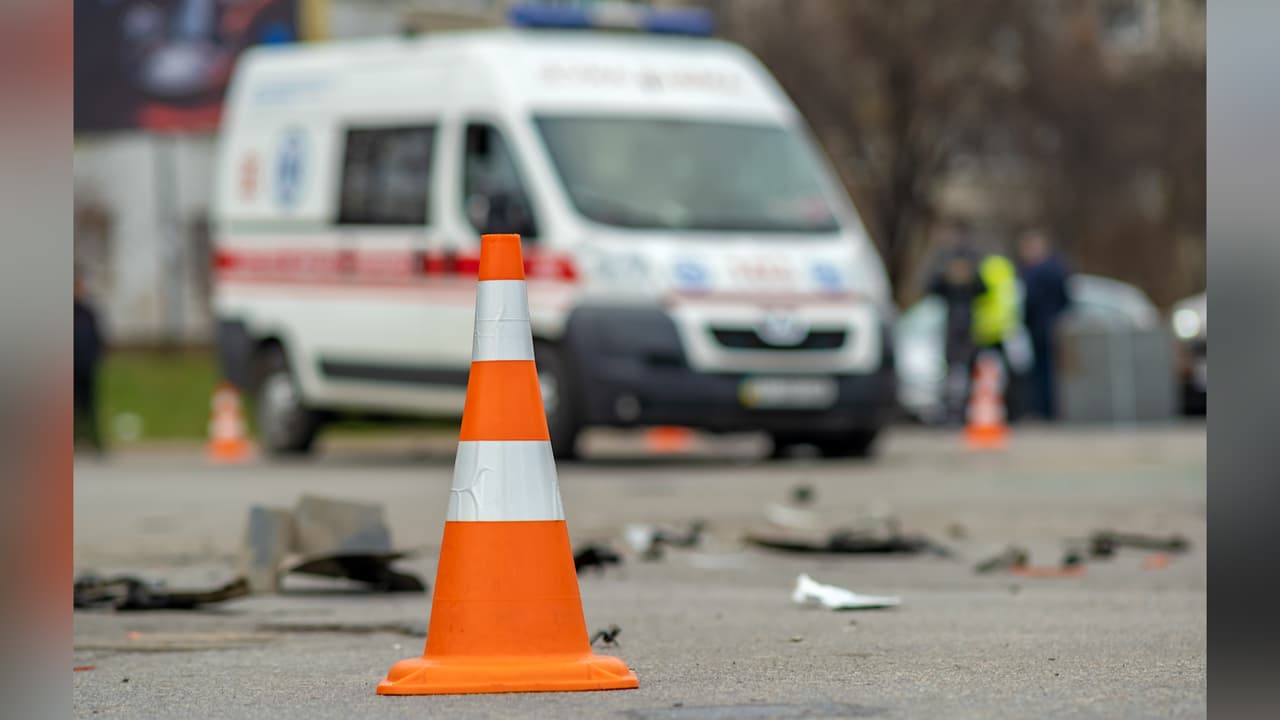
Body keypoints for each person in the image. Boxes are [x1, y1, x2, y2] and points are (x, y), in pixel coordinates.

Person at [925, 220, 986, 423]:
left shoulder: (974, 258)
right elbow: (931, 288)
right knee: (949, 367)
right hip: (950, 320)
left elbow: (983, 289)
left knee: (968, 367)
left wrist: (971, 277)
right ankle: (950, 410)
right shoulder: (943, 258)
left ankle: (966, 410)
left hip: (969, 321)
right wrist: (945, 276)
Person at [1016, 229, 1071, 420]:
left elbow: (1028, 301)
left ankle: (1044, 411)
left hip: (1040, 327)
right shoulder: (1059, 268)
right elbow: (1067, 298)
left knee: (1042, 372)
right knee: (1050, 371)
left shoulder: (1036, 271)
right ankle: (1050, 411)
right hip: (1052, 325)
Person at [972, 251, 1023, 420]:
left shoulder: (986, 273)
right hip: (1006, 333)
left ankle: (987, 415)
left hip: (986, 333)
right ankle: (1009, 413)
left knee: (985, 380)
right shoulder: (1008, 276)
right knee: (1005, 378)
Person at [74, 272, 106, 454]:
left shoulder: (88, 313)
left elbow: (97, 337)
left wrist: (95, 356)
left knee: (90, 407)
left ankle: (94, 441)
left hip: (87, 366)